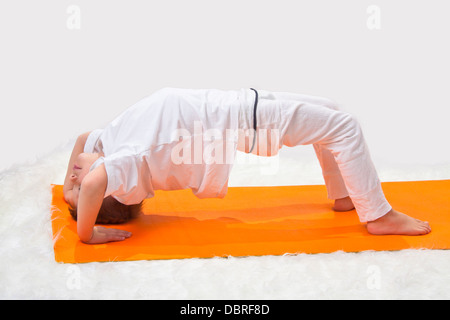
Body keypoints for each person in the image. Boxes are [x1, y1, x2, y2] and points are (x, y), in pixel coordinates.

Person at [63, 87, 431, 244]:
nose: (78, 176)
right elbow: (96, 181)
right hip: (245, 123)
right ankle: (377, 216)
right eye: (81, 187)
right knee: (345, 127)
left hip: (241, 105)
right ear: (110, 189)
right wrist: (87, 233)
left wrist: (68, 190)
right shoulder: (126, 169)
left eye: (74, 179)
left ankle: (345, 196)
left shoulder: (105, 144)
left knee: (333, 111)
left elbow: (82, 141)